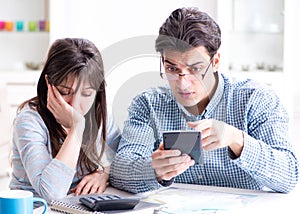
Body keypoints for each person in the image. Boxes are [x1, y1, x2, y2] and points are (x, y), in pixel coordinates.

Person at [110, 7, 299, 193]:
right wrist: (155, 171)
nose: (183, 84)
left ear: (215, 62)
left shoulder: (255, 99)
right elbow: (120, 173)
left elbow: (289, 176)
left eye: (196, 69)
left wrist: (237, 140)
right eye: (172, 69)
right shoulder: (148, 104)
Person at [9, 38, 120, 203]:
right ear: (48, 83)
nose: (75, 104)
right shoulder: (29, 121)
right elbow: (52, 193)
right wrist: (76, 128)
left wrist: (103, 174)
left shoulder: (100, 114)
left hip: (76, 205)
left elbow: (121, 159)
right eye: (64, 91)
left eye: (87, 94)